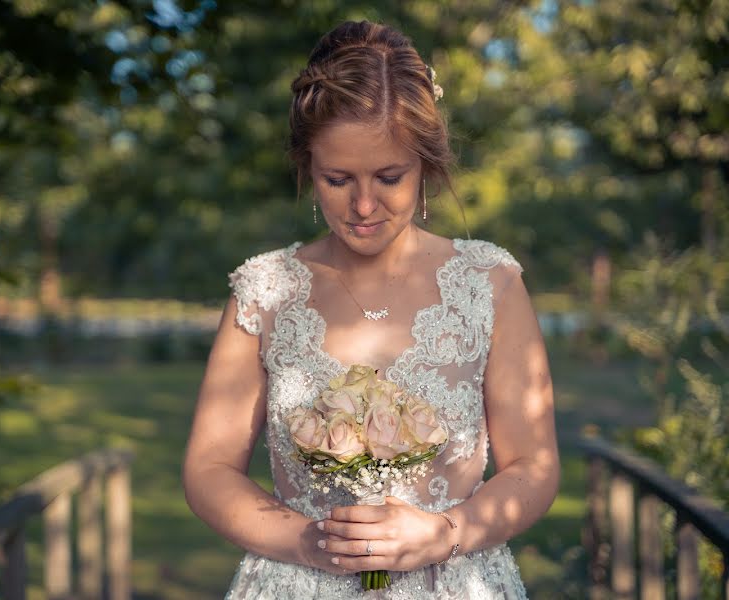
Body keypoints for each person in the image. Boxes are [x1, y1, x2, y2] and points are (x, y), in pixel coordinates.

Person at [183, 20, 559, 599]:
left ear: (426, 166)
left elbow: (533, 466)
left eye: (389, 177)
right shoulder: (264, 290)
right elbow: (208, 470)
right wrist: (306, 541)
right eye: (338, 180)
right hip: (297, 583)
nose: (363, 206)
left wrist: (443, 534)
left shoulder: (491, 284)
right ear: (308, 167)